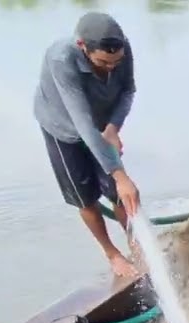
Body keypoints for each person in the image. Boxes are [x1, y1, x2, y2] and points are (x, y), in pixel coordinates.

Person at [34, 12, 143, 278]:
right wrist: (121, 175)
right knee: (85, 196)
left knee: (120, 194)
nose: (111, 68)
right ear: (83, 47)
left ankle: (136, 245)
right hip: (63, 128)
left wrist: (113, 128)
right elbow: (82, 125)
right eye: (103, 62)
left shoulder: (122, 49)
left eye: (116, 62)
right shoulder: (61, 59)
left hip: (100, 122)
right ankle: (113, 254)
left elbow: (128, 91)